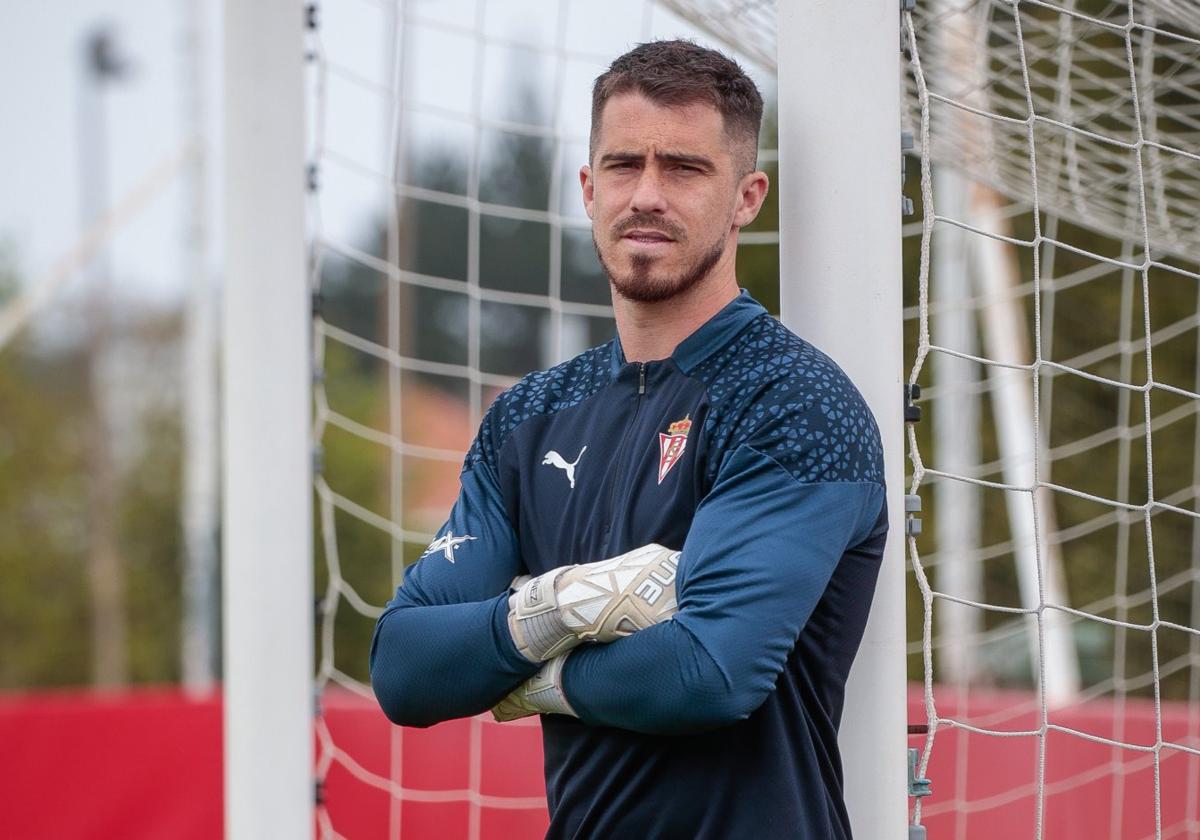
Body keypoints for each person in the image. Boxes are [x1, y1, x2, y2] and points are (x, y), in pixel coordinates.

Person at [370, 39, 888, 839]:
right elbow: (404, 668)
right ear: (587, 187)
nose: (646, 194)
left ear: (747, 197)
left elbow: (705, 675)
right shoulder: (529, 417)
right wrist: (555, 606)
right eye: (622, 166)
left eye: (683, 168)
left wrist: (515, 671)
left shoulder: (793, 401)